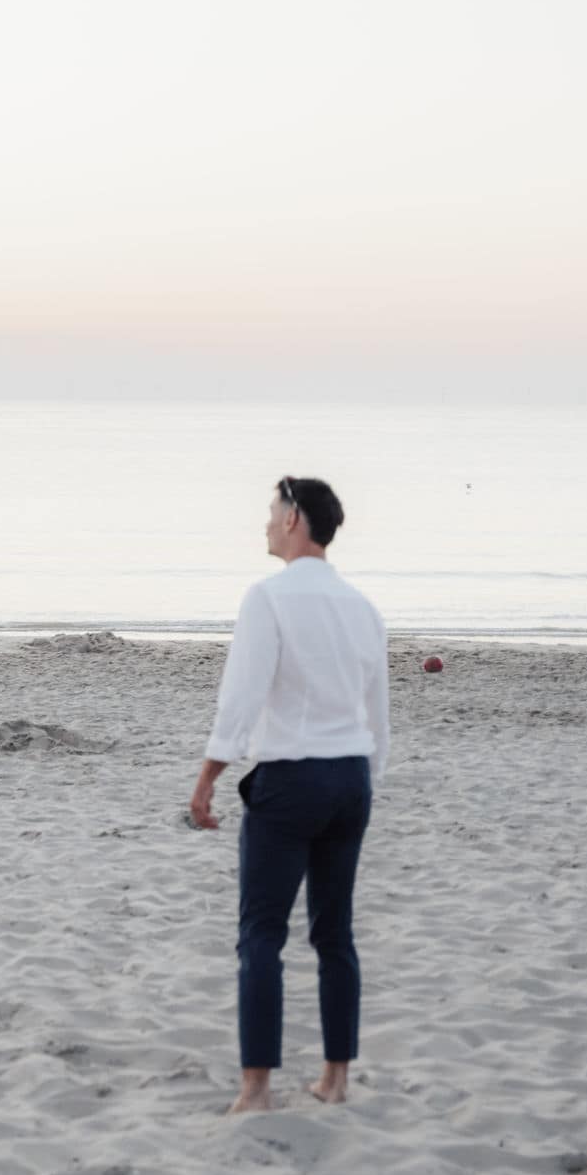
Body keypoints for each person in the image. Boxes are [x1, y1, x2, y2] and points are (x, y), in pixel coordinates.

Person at [188, 476, 388, 1116]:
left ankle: (257, 1090)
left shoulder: (268, 598)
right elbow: (377, 716)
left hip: (293, 777)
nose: (266, 524)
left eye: (273, 513)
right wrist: (363, 778)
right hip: (350, 776)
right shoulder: (361, 606)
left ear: (295, 518)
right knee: (335, 934)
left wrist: (208, 777)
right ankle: (335, 1079)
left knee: (261, 935)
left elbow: (241, 697)